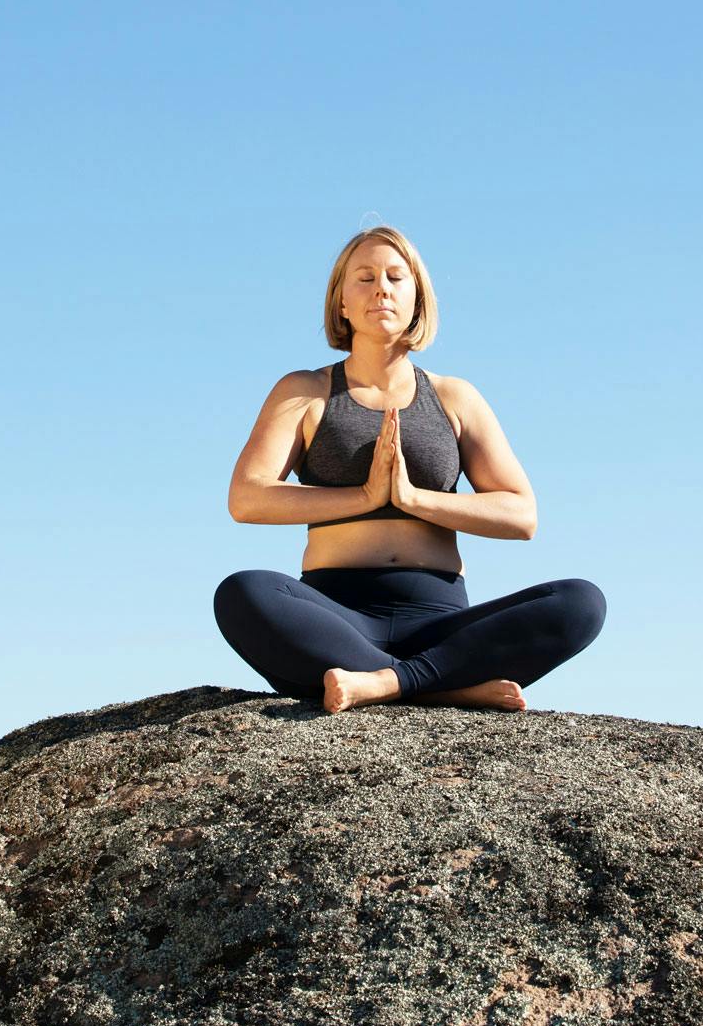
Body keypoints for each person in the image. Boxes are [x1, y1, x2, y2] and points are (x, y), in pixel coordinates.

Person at [214, 224, 606, 714]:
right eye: (365, 277)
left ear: (417, 300)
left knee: (581, 602)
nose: (381, 287)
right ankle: (438, 686)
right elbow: (246, 497)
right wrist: (365, 497)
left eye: (396, 277)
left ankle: (388, 682)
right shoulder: (305, 392)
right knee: (241, 592)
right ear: (341, 303)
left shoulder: (455, 396)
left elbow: (521, 514)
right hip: (336, 616)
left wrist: (412, 498)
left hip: (440, 620)